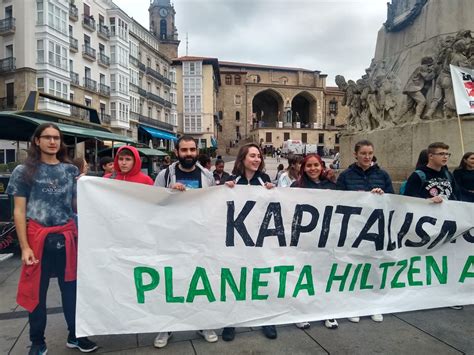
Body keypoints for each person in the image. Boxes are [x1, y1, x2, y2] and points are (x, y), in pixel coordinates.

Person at [6, 123, 98, 354]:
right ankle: (37, 342)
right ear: (37, 141)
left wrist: (87, 188)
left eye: (56, 138)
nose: (52, 142)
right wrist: (24, 247)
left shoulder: (70, 171)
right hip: (38, 241)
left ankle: (75, 335)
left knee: (72, 291)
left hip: (67, 239)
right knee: (37, 293)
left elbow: (76, 206)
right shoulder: (23, 171)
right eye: (47, 137)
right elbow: (18, 211)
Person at [153, 135, 217, 347]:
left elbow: (214, 203)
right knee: (170, 284)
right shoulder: (165, 175)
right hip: (172, 238)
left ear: (197, 151)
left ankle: (204, 323)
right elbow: (153, 203)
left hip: (199, 239)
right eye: (184, 150)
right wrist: (170, 193)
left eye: (192, 150)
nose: (188, 154)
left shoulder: (207, 175)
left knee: (200, 283)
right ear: (177, 152)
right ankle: (166, 328)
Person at [223, 143, 276, 341]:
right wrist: (225, 190)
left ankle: (266, 319)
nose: (257, 159)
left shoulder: (265, 180)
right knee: (236, 279)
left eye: (259, 156)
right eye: (252, 156)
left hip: (260, 240)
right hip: (237, 240)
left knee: (262, 279)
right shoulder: (231, 180)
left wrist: (272, 192)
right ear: (243, 159)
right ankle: (232, 321)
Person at [336, 140, 393, 323]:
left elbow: (392, 199)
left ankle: (373, 304)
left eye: (370, 153)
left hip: (375, 230)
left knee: (374, 267)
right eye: (363, 153)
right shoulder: (345, 176)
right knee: (353, 266)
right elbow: (337, 201)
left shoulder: (382, 175)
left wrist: (382, 195)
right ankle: (353, 305)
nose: (367, 157)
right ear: (356, 155)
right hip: (353, 229)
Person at [290, 153, 339, 330]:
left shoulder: (332, 186)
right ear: (303, 168)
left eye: (316, 165)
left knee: (324, 275)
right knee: (303, 275)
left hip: (326, 239)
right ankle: (301, 312)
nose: (313, 169)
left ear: (322, 166)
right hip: (304, 239)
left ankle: (327, 312)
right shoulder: (296, 186)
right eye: (309, 166)